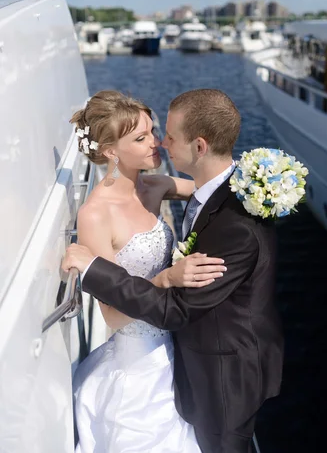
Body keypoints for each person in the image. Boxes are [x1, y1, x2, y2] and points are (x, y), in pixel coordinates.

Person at [64, 88, 284, 453]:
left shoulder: (156, 186)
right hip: (139, 357)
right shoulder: (95, 215)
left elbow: (212, 189)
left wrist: (267, 186)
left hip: (179, 353)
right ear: (110, 152)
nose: (158, 143)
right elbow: (112, 318)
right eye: (142, 137)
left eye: (154, 131)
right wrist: (164, 279)